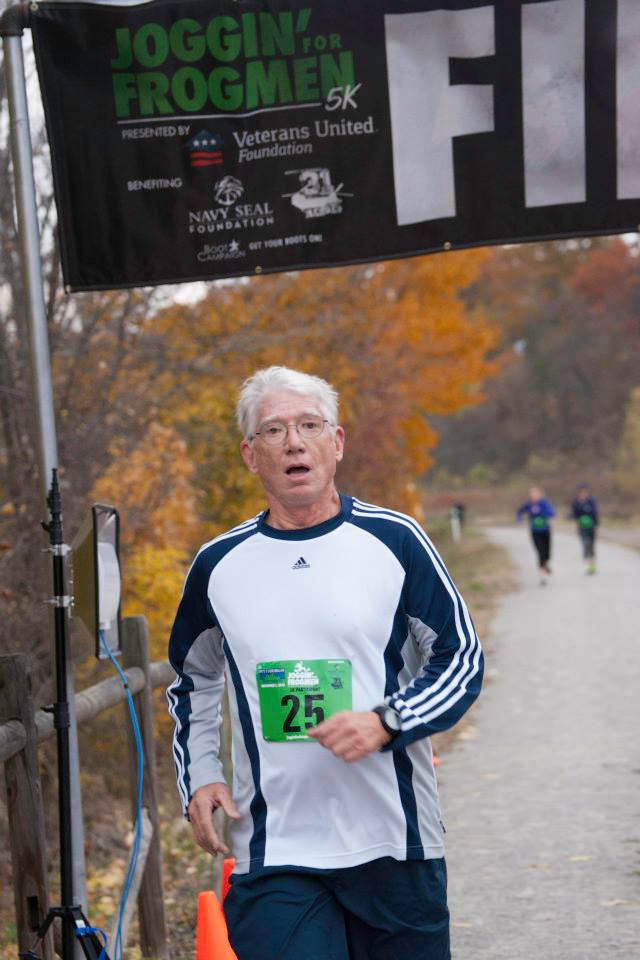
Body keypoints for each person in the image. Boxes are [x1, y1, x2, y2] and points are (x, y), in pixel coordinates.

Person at [167, 366, 483, 960]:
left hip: (395, 837)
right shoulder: (219, 565)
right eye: (274, 430)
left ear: (336, 443)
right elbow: (193, 677)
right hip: (274, 847)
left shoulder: (396, 540)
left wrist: (389, 720)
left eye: (310, 425)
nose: (294, 442)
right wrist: (200, 773)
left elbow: (460, 658)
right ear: (250, 455)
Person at [516, 486, 556, 585]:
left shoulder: (544, 503)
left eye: (536, 494)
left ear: (540, 495)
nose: (534, 496)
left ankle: (545, 565)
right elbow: (519, 512)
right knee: (540, 552)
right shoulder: (528, 504)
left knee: (547, 554)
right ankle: (543, 576)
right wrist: (519, 520)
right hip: (535, 532)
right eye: (533, 494)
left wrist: (546, 514)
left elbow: (552, 512)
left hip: (545, 531)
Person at [570, 483, 598, 574]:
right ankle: (588, 562)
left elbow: (595, 513)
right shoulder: (576, 502)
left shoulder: (591, 500)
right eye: (581, 492)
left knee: (591, 545)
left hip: (591, 526)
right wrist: (571, 516)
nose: (583, 493)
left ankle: (592, 564)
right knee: (586, 543)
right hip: (581, 526)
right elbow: (573, 513)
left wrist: (596, 525)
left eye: (585, 492)